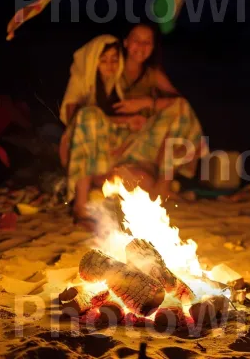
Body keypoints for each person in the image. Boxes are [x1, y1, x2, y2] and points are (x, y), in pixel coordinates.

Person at [60, 26, 208, 228]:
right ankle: (83, 202)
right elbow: (81, 116)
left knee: (179, 109)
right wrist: (126, 120)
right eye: (137, 40)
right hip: (104, 148)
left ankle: (163, 186)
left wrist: (146, 103)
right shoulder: (103, 74)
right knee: (90, 117)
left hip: (136, 146)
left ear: (153, 46)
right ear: (126, 42)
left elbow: (178, 102)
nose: (141, 46)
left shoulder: (149, 73)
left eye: (148, 42)